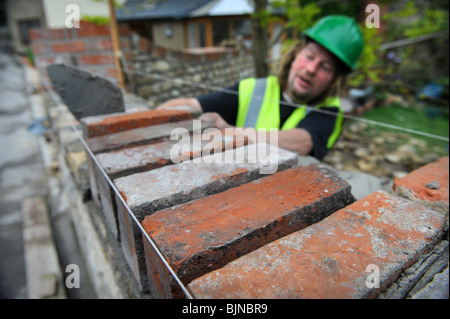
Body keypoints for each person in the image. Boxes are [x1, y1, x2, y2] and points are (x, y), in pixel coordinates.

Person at [157, 15, 364, 160]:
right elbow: (190, 104)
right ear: (295, 55)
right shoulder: (253, 89)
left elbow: (304, 142)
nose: (311, 68)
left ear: (334, 79)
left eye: (325, 67)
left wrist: (232, 132)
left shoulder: (330, 110)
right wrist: (149, 120)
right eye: (309, 56)